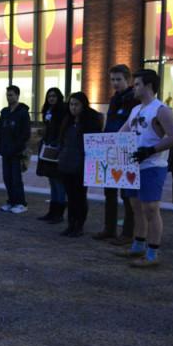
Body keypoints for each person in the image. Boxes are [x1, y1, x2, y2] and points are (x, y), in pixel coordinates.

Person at [117, 69, 173, 267]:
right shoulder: (136, 110)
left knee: (151, 208)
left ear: (148, 86)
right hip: (133, 164)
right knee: (135, 206)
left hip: (152, 165)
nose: (134, 88)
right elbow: (122, 132)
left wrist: (150, 150)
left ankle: (153, 252)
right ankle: (138, 245)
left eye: (137, 84)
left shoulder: (161, 109)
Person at [93, 65, 137, 242]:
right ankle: (109, 228)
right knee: (109, 192)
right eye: (112, 79)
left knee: (127, 194)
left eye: (118, 79)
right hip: (110, 148)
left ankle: (127, 233)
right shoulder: (114, 99)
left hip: (126, 149)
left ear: (128, 80)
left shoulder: (134, 99)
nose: (115, 83)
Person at [57, 92, 103, 237]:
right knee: (70, 196)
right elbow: (63, 140)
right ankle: (71, 223)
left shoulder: (90, 122)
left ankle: (79, 224)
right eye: (71, 104)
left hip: (82, 164)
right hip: (67, 163)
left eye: (76, 104)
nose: (73, 107)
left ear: (83, 105)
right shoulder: (67, 121)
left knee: (80, 196)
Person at [36, 88, 68, 224]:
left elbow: (61, 131)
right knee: (51, 181)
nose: (51, 98)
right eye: (49, 96)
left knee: (58, 182)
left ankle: (59, 213)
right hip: (47, 149)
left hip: (57, 149)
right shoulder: (48, 111)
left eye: (54, 96)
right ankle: (52, 211)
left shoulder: (62, 112)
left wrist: (57, 145)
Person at [0, 85, 31, 214]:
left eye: (11, 95)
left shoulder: (23, 113)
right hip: (5, 150)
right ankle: (11, 201)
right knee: (7, 177)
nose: (9, 97)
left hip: (17, 151)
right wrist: (1, 146)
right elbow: (1, 129)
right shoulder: (4, 112)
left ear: (17, 96)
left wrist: (17, 147)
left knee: (16, 178)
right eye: (7, 95)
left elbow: (25, 133)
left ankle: (21, 203)